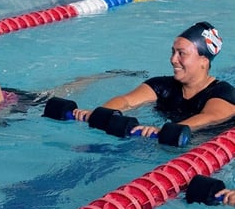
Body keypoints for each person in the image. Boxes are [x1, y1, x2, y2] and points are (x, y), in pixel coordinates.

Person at [73, 21, 235, 136]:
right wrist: (100, 113)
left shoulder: (223, 92)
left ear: (203, 61)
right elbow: (127, 101)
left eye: (181, 53)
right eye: (173, 52)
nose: (173, 59)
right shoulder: (162, 86)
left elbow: (210, 117)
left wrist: (167, 130)